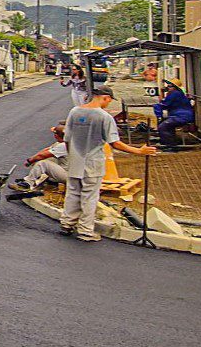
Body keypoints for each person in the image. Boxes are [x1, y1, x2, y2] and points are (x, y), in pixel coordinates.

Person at [61, 85, 157, 242]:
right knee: (89, 197)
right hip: (93, 163)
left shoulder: (74, 112)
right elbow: (115, 143)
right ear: (105, 97)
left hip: (75, 161)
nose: (108, 104)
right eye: (109, 101)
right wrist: (138, 151)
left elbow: (67, 139)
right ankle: (85, 231)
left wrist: (72, 156)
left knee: (72, 193)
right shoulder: (104, 117)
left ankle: (66, 224)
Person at [10, 123, 68, 193]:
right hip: (73, 172)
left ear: (56, 135)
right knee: (46, 158)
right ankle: (33, 179)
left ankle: (27, 184)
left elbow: (42, 156)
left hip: (69, 176)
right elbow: (46, 151)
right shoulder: (65, 143)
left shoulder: (63, 146)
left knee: (43, 163)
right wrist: (32, 158)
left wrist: (30, 161)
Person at [153, 78, 195, 149]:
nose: (168, 88)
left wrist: (157, 110)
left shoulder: (175, 94)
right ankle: (168, 142)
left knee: (163, 126)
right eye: (168, 86)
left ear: (175, 87)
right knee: (167, 125)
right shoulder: (178, 93)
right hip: (181, 115)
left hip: (181, 116)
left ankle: (171, 146)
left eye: (170, 86)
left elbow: (164, 104)